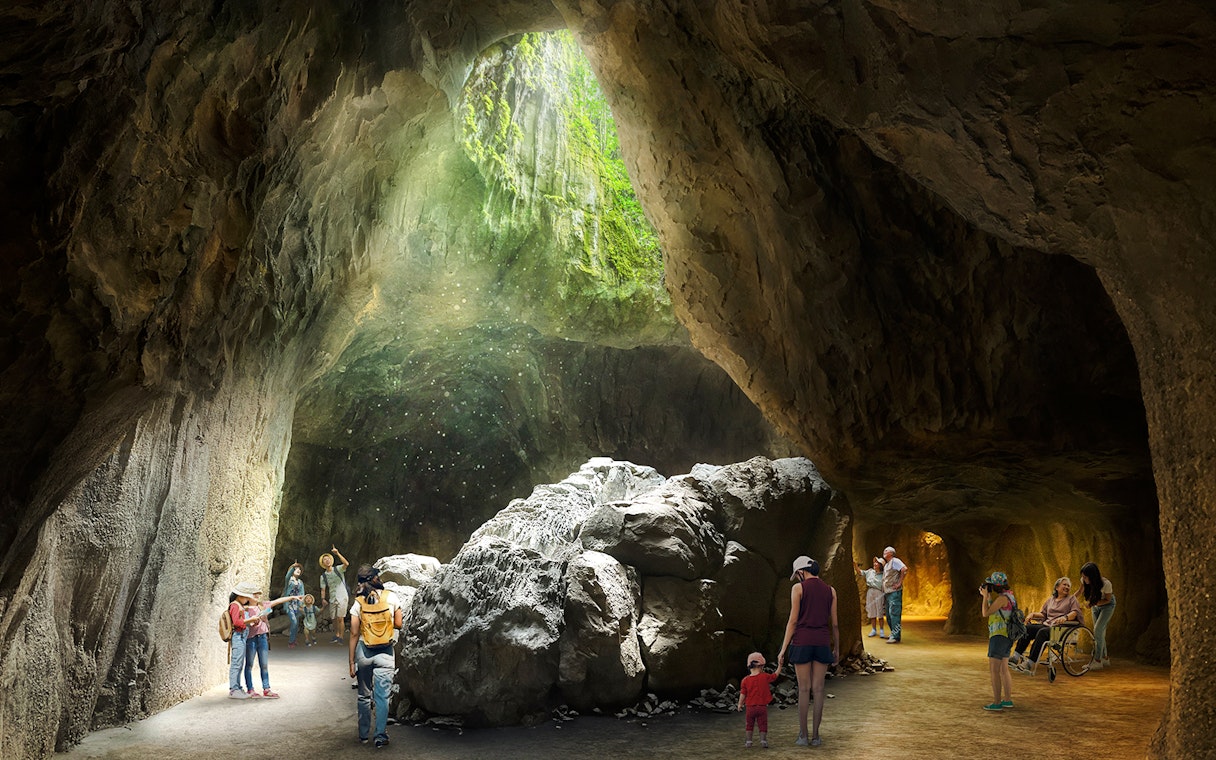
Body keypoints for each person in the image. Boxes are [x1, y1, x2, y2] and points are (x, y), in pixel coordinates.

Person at [777, 555, 839, 748]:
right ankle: (816, 736)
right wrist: (837, 648)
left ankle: (803, 736)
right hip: (822, 642)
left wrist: (783, 649)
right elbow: (835, 624)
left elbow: (793, 621)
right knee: (818, 690)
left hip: (802, 642)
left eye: (797, 575)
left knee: (804, 689)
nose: (797, 578)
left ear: (801, 572)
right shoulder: (831, 590)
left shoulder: (798, 589)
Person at [349, 565, 403, 748]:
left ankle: (363, 735)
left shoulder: (358, 602)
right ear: (375, 578)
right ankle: (380, 736)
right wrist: (383, 624)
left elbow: (354, 633)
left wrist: (351, 662)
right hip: (385, 651)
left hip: (364, 652)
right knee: (382, 697)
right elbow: (399, 623)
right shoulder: (391, 597)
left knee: (364, 696)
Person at [1009, 576, 1082, 672]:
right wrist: (1032, 614)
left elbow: (1075, 612)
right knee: (1028, 628)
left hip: (1060, 628)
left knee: (1042, 632)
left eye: (1068, 586)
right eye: (1064, 584)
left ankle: (1029, 663)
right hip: (1047, 625)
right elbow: (1043, 614)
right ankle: (1015, 657)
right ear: (1057, 587)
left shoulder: (1071, 599)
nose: (1067, 587)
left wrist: (1065, 617)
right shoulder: (1051, 600)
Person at [243, 588, 304, 698]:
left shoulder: (262, 605)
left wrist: (292, 597)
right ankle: (250, 689)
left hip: (262, 637)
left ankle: (266, 689)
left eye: (258, 594)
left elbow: (278, 601)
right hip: (251, 638)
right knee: (249, 664)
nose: (257, 596)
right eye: (254, 594)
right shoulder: (244, 609)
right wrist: (251, 621)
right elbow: (242, 623)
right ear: (248, 596)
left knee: (264, 664)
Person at [979, 571, 1015, 711]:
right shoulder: (1010, 596)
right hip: (1007, 637)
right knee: (1004, 670)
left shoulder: (1001, 599)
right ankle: (1007, 700)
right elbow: (995, 611)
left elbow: (985, 613)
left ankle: (997, 702)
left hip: (998, 636)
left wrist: (984, 597)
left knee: (994, 670)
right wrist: (988, 597)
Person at [736, 652, 780, 749]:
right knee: (763, 724)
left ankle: (748, 742)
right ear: (761, 665)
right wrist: (780, 665)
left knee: (749, 724)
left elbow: (743, 693)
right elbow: (775, 676)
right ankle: (763, 741)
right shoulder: (764, 676)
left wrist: (740, 704)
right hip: (762, 707)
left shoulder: (745, 680)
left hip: (750, 708)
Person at [227, 582, 263, 699]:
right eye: (246, 597)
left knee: (239, 663)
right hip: (238, 637)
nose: (247, 599)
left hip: (242, 636)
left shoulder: (239, 605)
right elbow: (236, 622)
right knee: (236, 664)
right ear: (240, 596)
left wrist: (251, 622)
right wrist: (250, 620)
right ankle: (233, 689)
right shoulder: (235, 606)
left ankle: (238, 687)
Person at [1079, 561, 1116, 669]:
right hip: (1095, 605)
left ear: (1092, 576)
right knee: (1100, 633)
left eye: (1085, 577)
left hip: (1107, 606)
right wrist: (1070, 599)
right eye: (1083, 577)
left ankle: (1097, 660)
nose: (1084, 579)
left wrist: (1091, 604)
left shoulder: (1106, 584)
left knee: (1098, 630)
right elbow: (1080, 591)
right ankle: (1105, 658)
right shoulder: (1084, 581)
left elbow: (1107, 600)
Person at [319, 546, 351, 643]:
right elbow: (323, 589)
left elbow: (346, 563)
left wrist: (337, 553)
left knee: (340, 618)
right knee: (333, 618)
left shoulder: (338, 569)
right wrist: (323, 599)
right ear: (323, 563)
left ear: (331, 560)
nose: (327, 560)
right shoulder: (323, 576)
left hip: (342, 596)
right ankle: (337, 634)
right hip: (332, 598)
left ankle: (341, 637)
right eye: (325, 560)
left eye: (328, 559)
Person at [882, 546, 908, 643]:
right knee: (888, 615)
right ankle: (893, 633)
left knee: (894, 614)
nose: (884, 551)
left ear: (891, 553)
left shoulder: (895, 561)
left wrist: (899, 583)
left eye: (886, 550)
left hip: (894, 593)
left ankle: (896, 636)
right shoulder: (887, 564)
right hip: (888, 592)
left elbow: (904, 569)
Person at [855, 557, 886, 638]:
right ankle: (873, 629)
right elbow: (860, 572)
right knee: (872, 611)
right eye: (875, 562)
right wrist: (855, 565)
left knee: (880, 611)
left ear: (880, 565)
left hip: (879, 592)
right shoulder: (870, 572)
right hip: (870, 591)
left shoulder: (884, 575)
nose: (875, 564)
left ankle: (881, 630)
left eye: (877, 563)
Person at [283, 562, 305, 648]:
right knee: (294, 621)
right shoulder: (289, 580)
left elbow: (302, 594)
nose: (298, 570)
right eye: (296, 569)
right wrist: (293, 567)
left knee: (297, 623)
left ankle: (294, 639)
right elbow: (287, 576)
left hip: (297, 604)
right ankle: (291, 641)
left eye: (299, 569)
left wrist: (302, 604)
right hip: (289, 604)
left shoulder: (300, 582)